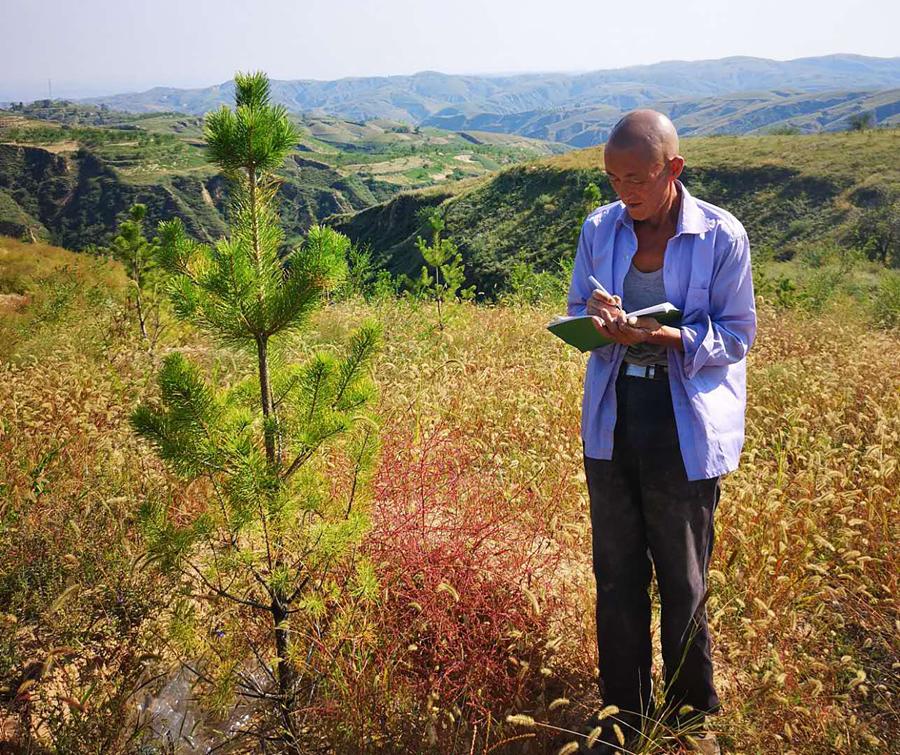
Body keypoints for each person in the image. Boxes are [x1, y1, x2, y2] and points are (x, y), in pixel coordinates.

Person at [567, 110, 756, 754]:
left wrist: (668, 335)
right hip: (615, 414)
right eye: (614, 178)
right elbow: (576, 313)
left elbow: (736, 335)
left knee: (682, 576)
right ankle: (621, 717)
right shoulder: (600, 228)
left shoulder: (720, 236)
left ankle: (691, 718)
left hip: (685, 423)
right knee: (616, 573)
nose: (625, 192)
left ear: (673, 170)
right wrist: (596, 320)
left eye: (637, 178)